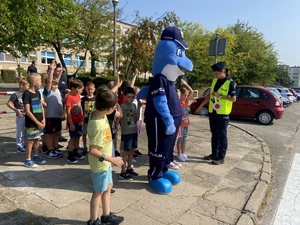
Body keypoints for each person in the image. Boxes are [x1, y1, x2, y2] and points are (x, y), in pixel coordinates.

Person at [87, 86, 124, 225]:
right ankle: (93, 220)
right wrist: (112, 159)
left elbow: (104, 95)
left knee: (108, 186)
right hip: (100, 164)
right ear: (109, 109)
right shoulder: (98, 126)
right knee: (98, 191)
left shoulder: (98, 113)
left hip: (106, 163)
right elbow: (93, 150)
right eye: (114, 107)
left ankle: (106, 215)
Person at [194, 62, 236, 165]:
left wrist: (220, 96)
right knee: (214, 134)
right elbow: (209, 95)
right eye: (214, 73)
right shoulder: (214, 81)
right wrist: (200, 106)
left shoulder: (229, 83)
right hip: (213, 111)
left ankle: (221, 157)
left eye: (216, 73)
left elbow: (233, 99)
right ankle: (214, 154)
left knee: (222, 135)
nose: (215, 75)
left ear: (223, 72)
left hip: (223, 113)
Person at [22, 73, 46, 168]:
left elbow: (41, 106)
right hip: (32, 123)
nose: (41, 83)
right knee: (31, 140)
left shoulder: (38, 92)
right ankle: (27, 159)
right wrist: (37, 122)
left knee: (37, 139)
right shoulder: (27, 94)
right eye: (40, 81)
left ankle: (36, 156)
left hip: (40, 122)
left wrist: (43, 119)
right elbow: (27, 111)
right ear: (33, 82)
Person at [43, 60, 64, 159]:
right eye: (53, 85)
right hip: (50, 116)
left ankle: (55, 148)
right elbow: (50, 81)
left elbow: (56, 80)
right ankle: (49, 150)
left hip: (57, 116)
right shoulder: (47, 91)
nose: (54, 86)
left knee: (56, 134)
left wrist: (60, 73)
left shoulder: (58, 90)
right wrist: (51, 70)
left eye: (56, 85)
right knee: (50, 134)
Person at [119, 86, 139, 180]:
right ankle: (122, 171)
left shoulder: (134, 105)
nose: (131, 99)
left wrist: (139, 108)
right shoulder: (122, 106)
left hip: (134, 131)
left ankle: (129, 168)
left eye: (132, 97)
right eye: (129, 97)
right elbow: (118, 119)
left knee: (131, 151)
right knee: (126, 152)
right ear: (124, 96)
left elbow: (137, 118)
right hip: (126, 133)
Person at [6, 78, 29, 154]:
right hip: (20, 115)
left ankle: (26, 144)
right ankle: (20, 146)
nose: (28, 87)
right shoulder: (16, 94)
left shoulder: (28, 93)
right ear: (22, 85)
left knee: (27, 131)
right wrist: (15, 109)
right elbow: (9, 103)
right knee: (20, 131)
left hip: (28, 115)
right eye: (27, 85)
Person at [65, 78, 84, 163]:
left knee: (77, 137)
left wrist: (82, 119)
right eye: (78, 88)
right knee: (72, 138)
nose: (80, 90)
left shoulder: (77, 96)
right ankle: (70, 154)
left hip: (79, 121)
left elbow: (80, 108)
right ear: (73, 88)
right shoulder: (69, 97)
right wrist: (71, 123)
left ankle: (76, 151)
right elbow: (68, 112)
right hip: (73, 121)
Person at [176, 79, 194, 162]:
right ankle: (179, 153)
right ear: (180, 95)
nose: (186, 97)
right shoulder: (177, 103)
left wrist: (186, 84)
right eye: (184, 95)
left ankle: (183, 153)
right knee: (179, 139)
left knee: (184, 139)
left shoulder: (185, 102)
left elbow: (192, 91)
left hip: (186, 124)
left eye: (186, 96)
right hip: (180, 125)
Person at [81, 81, 96, 155]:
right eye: (88, 89)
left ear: (94, 89)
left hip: (93, 120)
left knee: (93, 135)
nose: (90, 91)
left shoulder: (96, 99)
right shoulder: (83, 99)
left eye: (91, 89)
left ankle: (92, 148)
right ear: (86, 89)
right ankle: (84, 147)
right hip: (85, 120)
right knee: (84, 134)